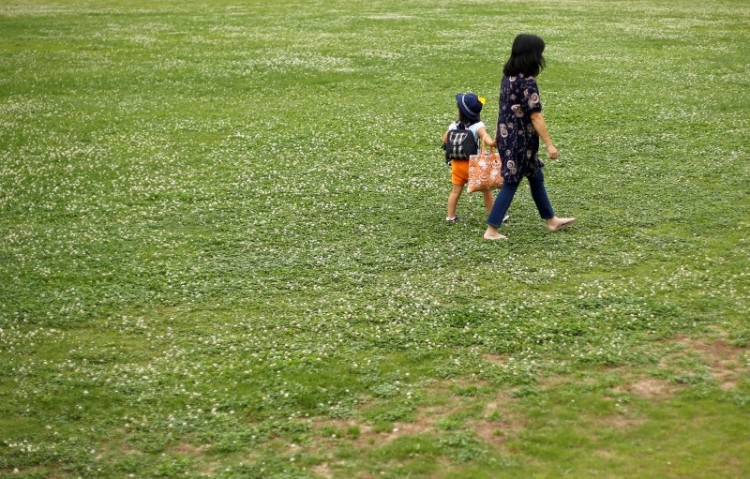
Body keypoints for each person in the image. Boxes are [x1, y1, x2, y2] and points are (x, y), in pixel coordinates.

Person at [483, 34, 575, 240]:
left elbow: (504, 108)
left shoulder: (508, 77)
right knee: (511, 182)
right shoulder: (528, 82)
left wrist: (499, 133)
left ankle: (551, 220)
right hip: (521, 141)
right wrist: (550, 144)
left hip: (508, 137)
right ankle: (491, 230)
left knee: (535, 176)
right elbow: (535, 115)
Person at [442, 92, 496, 223]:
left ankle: (450, 216)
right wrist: (492, 143)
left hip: (456, 165)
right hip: (473, 166)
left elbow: (445, 140)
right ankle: (494, 215)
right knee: (486, 190)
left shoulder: (453, 126)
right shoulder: (478, 126)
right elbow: (485, 137)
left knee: (455, 192)